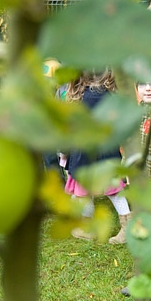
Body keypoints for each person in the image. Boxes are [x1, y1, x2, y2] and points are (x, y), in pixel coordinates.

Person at [63, 69, 132, 244]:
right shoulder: (109, 93)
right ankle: (125, 226)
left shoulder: (83, 96)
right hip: (104, 149)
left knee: (85, 188)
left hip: (87, 150)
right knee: (111, 189)